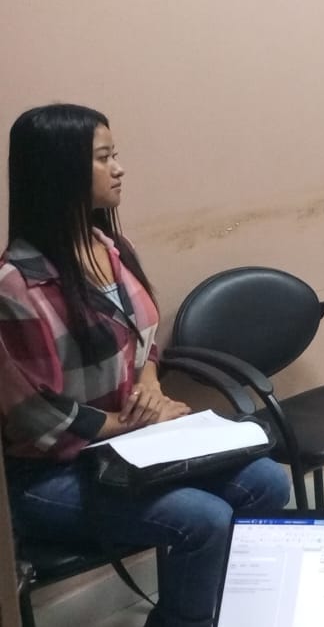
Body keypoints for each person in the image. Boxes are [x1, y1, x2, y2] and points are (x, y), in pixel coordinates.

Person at [0, 104, 292, 627]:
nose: (119, 169)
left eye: (115, 155)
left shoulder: (110, 248)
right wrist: (131, 421)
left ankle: (223, 611)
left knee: (267, 482)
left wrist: (150, 385)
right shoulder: (16, 286)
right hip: (48, 474)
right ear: (58, 170)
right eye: (103, 157)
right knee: (202, 519)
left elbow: (143, 343)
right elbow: (33, 416)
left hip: (132, 446)